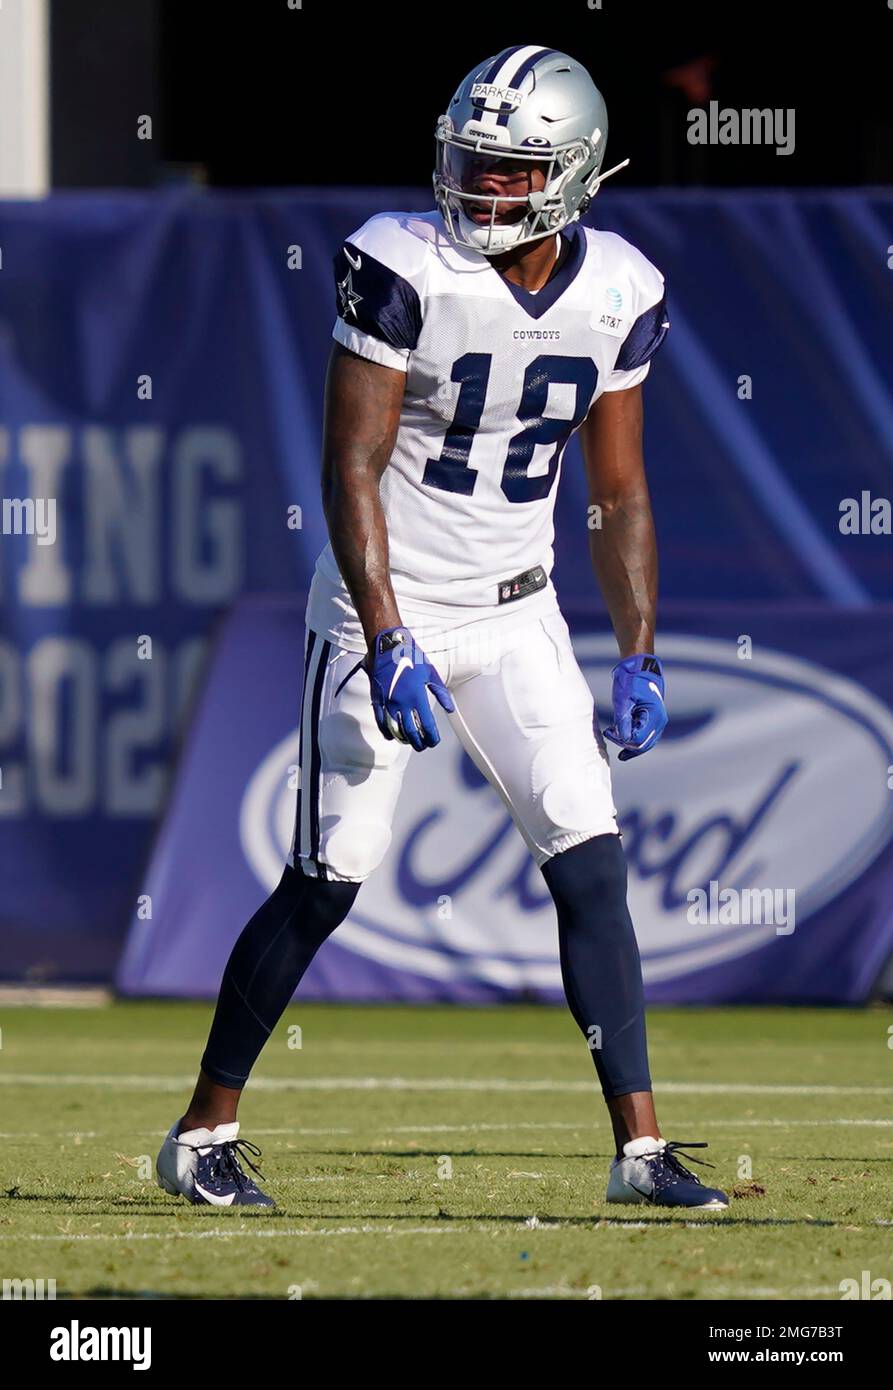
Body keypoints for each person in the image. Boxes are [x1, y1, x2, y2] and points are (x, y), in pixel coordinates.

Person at [156, 44, 728, 1212]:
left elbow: (615, 493)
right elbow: (351, 464)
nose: (479, 187)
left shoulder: (619, 286)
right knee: (328, 876)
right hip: (391, 605)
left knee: (590, 857)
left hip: (518, 615)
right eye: (472, 160)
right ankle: (201, 1134)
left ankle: (638, 1154)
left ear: (570, 175)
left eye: (510, 171)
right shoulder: (401, 264)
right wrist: (385, 635)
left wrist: (638, 649)